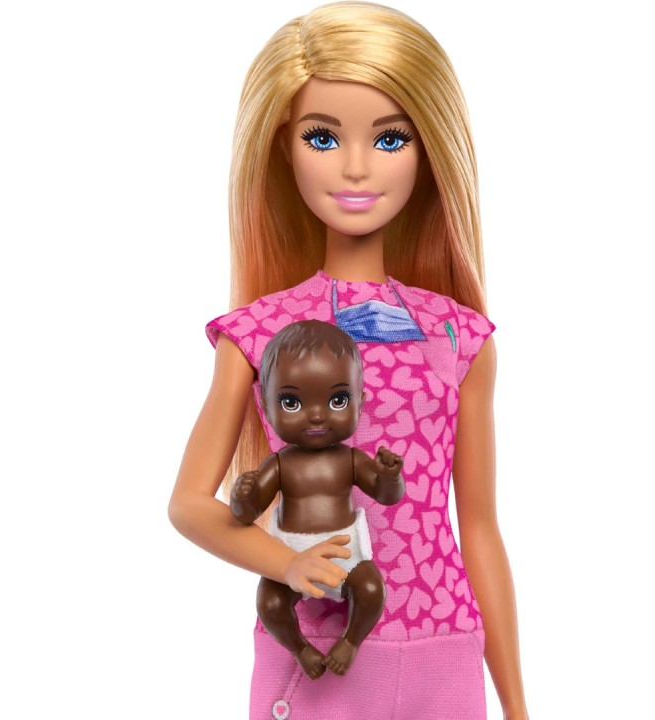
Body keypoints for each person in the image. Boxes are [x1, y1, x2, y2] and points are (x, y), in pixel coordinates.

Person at [168, 3, 529, 718]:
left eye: (390, 138)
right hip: (315, 649)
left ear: (429, 149)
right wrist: (287, 564)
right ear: (283, 148)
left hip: (444, 648)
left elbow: (480, 528)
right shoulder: (259, 332)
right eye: (323, 137)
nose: (357, 166)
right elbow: (189, 504)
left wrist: (517, 703)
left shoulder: (460, 336)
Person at [232, 319, 404, 680]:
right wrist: (243, 497)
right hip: (290, 554)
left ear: (361, 401)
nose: (315, 414)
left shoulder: (350, 459)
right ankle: (299, 647)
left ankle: (350, 641)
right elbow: (247, 514)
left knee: (371, 589)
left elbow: (386, 496)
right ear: (265, 405)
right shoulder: (280, 463)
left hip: (345, 552)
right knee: (270, 602)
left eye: (338, 400)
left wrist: (389, 478)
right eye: (291, 402)